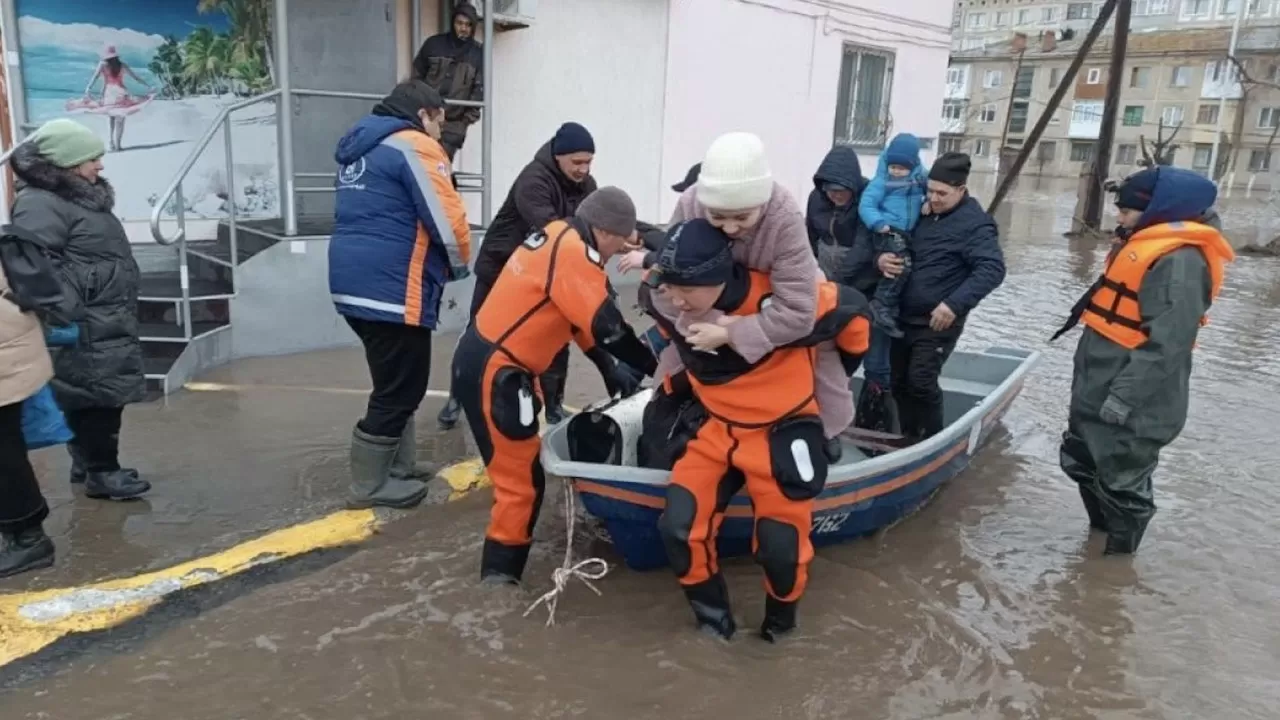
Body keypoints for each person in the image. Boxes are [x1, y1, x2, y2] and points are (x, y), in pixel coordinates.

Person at [644, 219, 870, 641]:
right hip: (719, 430)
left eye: (685, 289)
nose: (674, 299)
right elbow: (670, 336)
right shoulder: (665, 299)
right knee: (678, 528)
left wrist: (838, 373)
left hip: (782, 428)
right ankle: (714, 624)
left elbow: (855, 314)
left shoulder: (786, 300)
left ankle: (779, 632)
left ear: (717, 278)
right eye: (667, 286)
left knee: (779, 549)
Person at [451, 187, 657, 585]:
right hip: (497, 372)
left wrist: (608, 369)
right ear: (605, 230)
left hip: (492, 363)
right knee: (521, 485)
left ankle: (501, 577)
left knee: (524, 477)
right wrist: (653, 364)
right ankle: (498, 586)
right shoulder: (574, 253)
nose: (619, 251)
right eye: (621, 240)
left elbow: (574, 316)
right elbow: (607, 327)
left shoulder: (562, 235)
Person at [1052, 167, 1235, 556]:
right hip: (1097, 380)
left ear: (1158, 210)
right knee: (1081, 460)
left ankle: (1114, 571)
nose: (1118, 218)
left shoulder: (1180, 262)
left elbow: (1168, 345)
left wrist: (1123, 397)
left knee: (1123, 481)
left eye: (1127, 211)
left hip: (1133, 396)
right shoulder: (1139, 243)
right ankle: (1097, 540)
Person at [645, 132, 855, 458]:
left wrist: (732, 332)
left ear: (761, 202)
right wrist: (698, 324)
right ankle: (666, 417)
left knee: (820, 354)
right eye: (717, 217)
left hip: (779, 294)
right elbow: (662, 281)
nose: (730, 228)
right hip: (713, 299)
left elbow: (798, 312)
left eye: (742, 217)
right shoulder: (691, 202)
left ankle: (827, 429)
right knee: (680, 353)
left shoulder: (784, 218)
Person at [328, 80, 471, 510]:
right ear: (423, 113)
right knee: (402, 388)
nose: (440, 132)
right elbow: (446, 219)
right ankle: (369, 486)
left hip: (355, 282)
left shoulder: (362, 148)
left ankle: (398, 467)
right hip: (392, 286)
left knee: (391, 383)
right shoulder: (413, 145)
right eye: (439, 121)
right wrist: (462, 264)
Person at [11, 119, 150, 501]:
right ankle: (103, 473)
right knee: (96, 396)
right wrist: (70, 307)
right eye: (92, 158)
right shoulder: (40, 202)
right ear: (66, 162)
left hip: (104, 313)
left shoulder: (75, 196)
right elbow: (36, 264)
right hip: (86, 318)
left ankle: (88, 462)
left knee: (97, 392)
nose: (100, 165)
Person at [438, 122, 598, 429]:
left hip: (544, 274)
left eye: (589, 162)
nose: (583, 169)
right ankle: (457, 398)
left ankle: (553, 407)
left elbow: (593, 225)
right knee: (478, 336)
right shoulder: (534, 180)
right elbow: (554, 230)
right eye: (577, 162)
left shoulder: (587, 186)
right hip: (502, 266)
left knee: (556, 337)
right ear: (558, 156)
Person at [874, 152, 1005, 442]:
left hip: (938, 320)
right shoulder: (921, 212)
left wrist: (954, 305)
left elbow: (992, 269)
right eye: (930, 190)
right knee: (897, 382)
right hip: (901, 317)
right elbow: (893, 242)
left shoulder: (975, 224)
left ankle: (932, 441)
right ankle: (910, 436)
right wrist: (881, 260)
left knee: (920, 382)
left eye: (942, 193)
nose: (933, 198)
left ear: (961, 189)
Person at [0, 254, 57, 578]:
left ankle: (29, 540)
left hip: (6, 357)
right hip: (12, 350)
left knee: (4, 452)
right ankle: (19, 534)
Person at [858, 132, 928, 339]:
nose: (896, 172)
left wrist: (928, 202)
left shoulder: (920, 179)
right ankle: (881, 305)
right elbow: (867, 204)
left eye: (901, 168)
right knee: (900, 265)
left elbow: (933, 188)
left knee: (904, 267)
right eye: (893, 167)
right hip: (887, 230)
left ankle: (886, 306)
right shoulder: (882, 181)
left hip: (907, 232)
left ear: (913, 165)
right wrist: (878, 223)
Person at [412, 2, 484, 161]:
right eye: (459, 23)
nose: (463, 28)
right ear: (452, 23)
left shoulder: (479, 54)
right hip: (425, 119)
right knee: (420, 164)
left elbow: (479, 93)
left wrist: (463, 123)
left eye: (468, 24)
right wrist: (418, 111)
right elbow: (416, 78)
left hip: (453, 126)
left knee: (440, 164)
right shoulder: (433, 44)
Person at [805, 145, 872, 290]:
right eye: (831, 190)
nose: (837, 195)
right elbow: (810, 237)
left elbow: (862, 247)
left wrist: (836, 283)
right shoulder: (816, 198)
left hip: (858, 280)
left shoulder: (867, 199)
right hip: (823, 275)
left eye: (842, 190)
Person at [83, 45, 153, 152]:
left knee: (111, 118)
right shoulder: (122, 65)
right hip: (120, 93)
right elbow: (135, 77)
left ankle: (111, 142)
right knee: (120, 120)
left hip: (109, 94)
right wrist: (148, 86)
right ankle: (118, 145)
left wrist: (88, 88)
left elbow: (95, 77)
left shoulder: (102, 64)